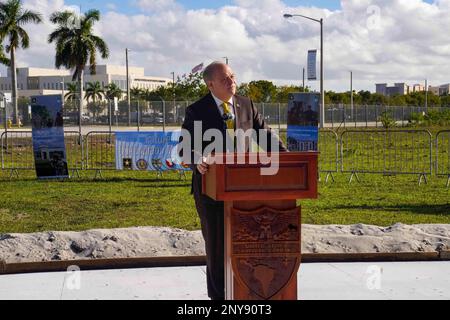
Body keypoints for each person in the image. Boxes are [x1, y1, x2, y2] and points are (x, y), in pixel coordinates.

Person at [180, 61, 286, 300]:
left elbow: (266, 135)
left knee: (245, 245)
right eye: (226, 79)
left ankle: (245, 294)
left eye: (233, 77)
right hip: (210, 191)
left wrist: (287, 159)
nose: (232, 82)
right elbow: (184, 149)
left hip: (245, 191)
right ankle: (218, 298)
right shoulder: (196, 110)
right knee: (217, 249)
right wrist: (199, 159)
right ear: (210, 84)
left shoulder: (246, 104)